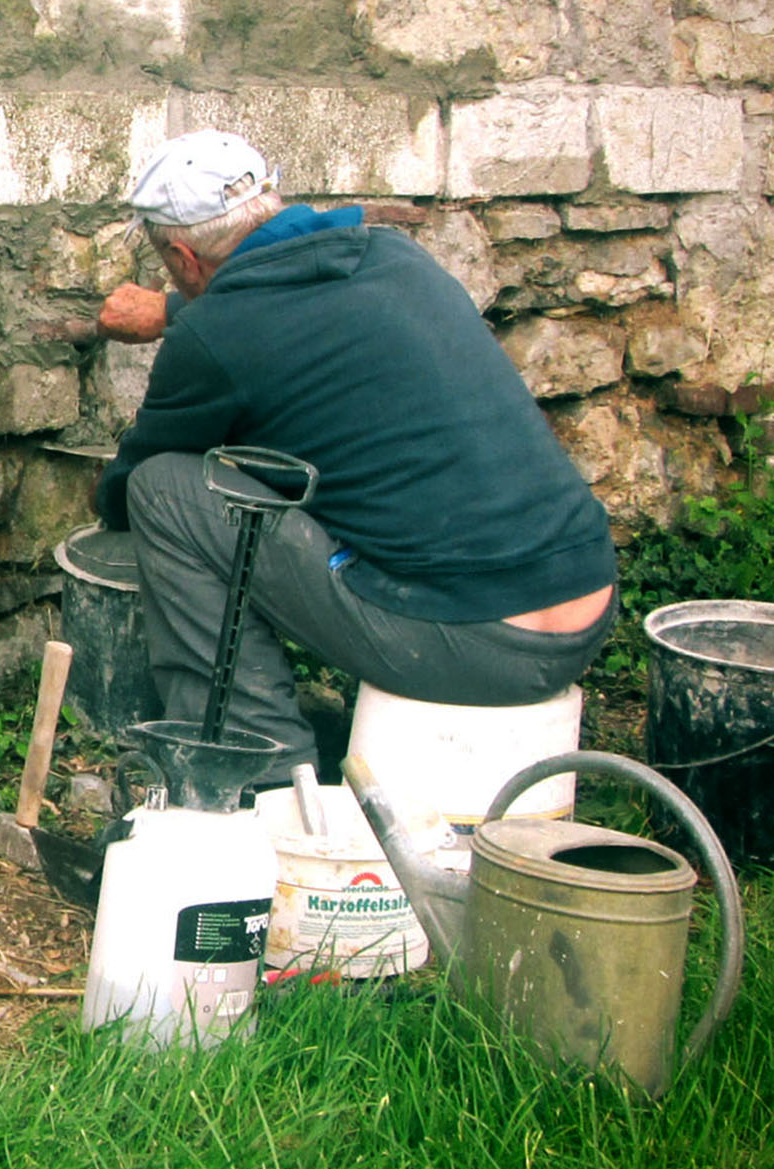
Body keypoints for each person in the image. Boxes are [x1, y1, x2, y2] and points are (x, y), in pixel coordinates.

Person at [90, 129, 616, 785]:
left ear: (183, 256)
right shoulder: (396, 256)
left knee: (162, 490)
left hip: (481, 644)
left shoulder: (213, 337)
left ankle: (257, 772)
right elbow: (283, 299)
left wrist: (182, 329)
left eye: (173, 273)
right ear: (271, 198)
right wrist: (172, 309)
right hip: (584, 603)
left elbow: (129, 484)